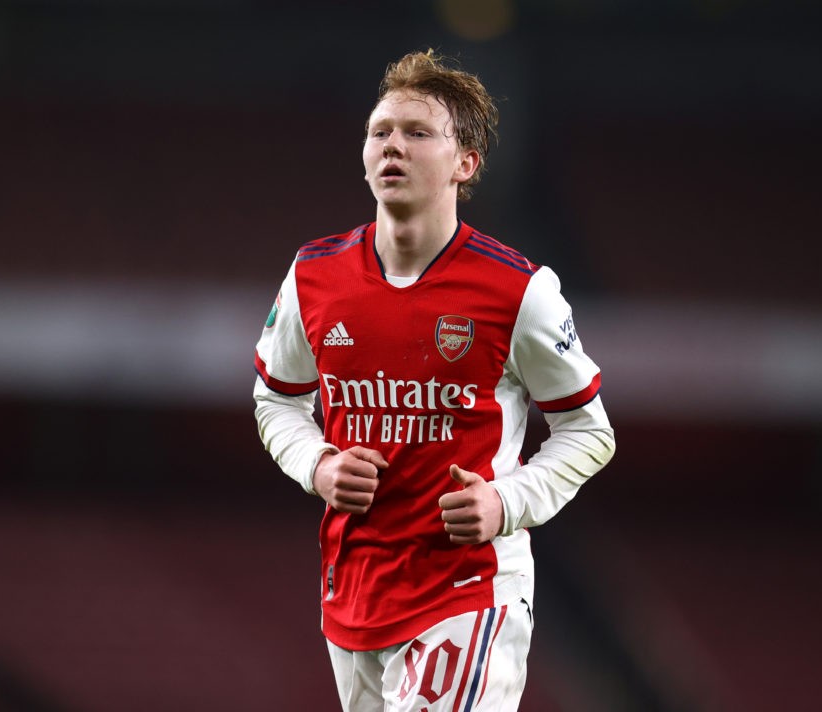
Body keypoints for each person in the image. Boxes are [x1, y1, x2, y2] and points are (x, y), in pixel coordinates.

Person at [253, 49, 615, 712]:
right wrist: (318, 465)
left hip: (469, 587)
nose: (393, 145)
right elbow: (277, 400)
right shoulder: (312, 277)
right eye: (380, 131)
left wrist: (508, 502)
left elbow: (589, 430)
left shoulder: (519, 291)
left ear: (464, 162)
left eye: (417, 133)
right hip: (355, 584)